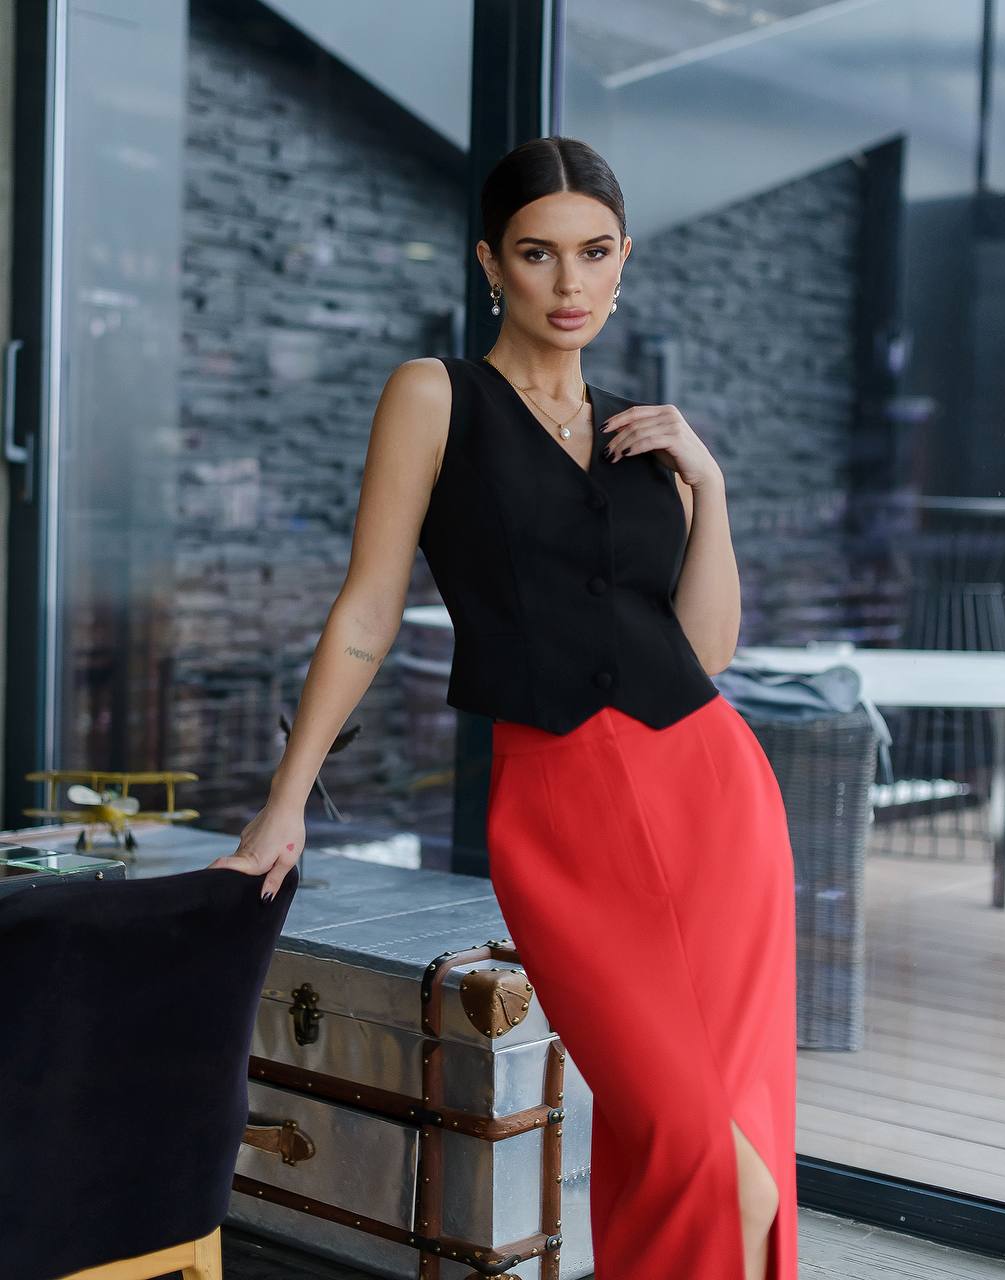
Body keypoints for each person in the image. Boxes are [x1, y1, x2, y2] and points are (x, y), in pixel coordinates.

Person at [209, 135, 797, 1280]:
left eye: (591, 254)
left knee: (714, 1136)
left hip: (713, 799)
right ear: (491, 262)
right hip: (566, 816)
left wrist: (709, 481)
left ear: (624, 260)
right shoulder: (436, 396)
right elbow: (366, 615)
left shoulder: (647, 435)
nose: (568, 284)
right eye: (537, 254)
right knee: (695, 1142)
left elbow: (707, 650)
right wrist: (286, 804)